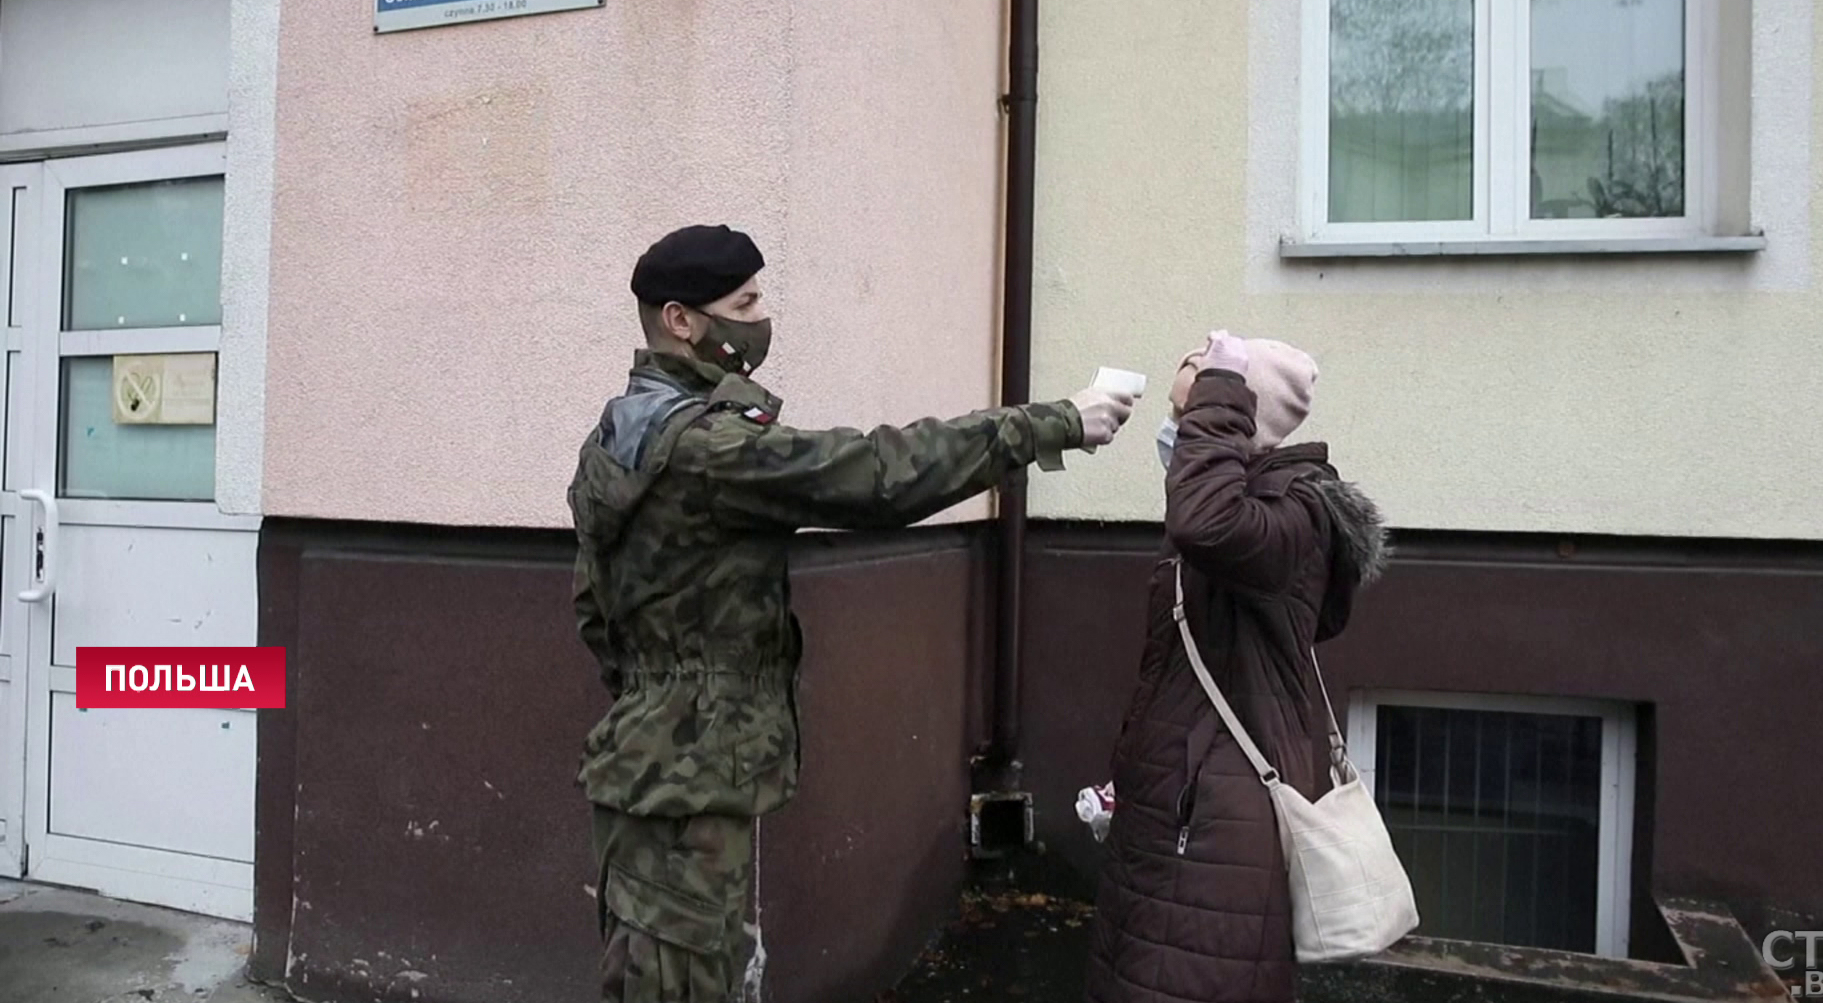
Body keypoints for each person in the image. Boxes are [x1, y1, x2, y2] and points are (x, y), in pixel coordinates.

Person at [566, 224, 1136, 1003]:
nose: (760, 315)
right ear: (680, 320)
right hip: (687, 784)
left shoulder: (618, 436)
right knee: (680, 983)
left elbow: (594, 609)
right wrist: (1052, 422)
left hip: (649, 763)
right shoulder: (708, 451)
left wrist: (659, 698)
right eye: (745, 301)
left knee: (661, 973)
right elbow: (876, 474)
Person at [1085, 332, 1390, 1003]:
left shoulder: (1297, 515)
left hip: (1221, 825)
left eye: (1198, 410)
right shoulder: (1257, 509)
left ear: (1241, 412)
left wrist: (1217, 390)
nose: (1183, 431)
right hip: (1181, 810)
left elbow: (1203, 522)